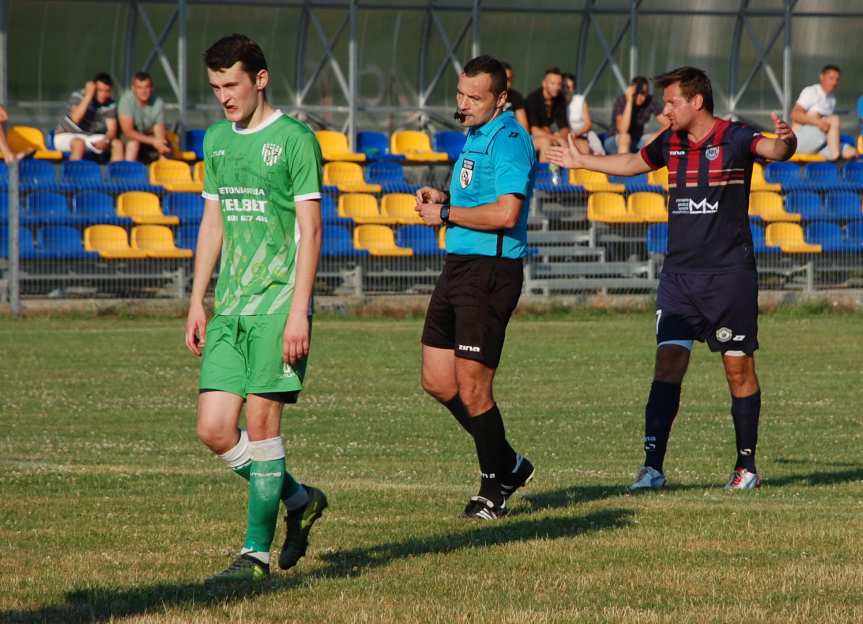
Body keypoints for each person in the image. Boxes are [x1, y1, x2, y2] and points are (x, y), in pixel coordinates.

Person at [547, 66, 797, 491]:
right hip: (679, 277)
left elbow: (773, 150)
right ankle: (652, 467)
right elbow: (633, 162)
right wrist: (581, 160)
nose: (665, 109)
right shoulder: (672, 142)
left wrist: (787, 141)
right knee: (667, 366)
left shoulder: (734, 137)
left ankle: (746, 467)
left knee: (738, 370)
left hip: (728, 277)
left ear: (696, 101)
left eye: (672, 101)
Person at [184, 33, 326, 583]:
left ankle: (254, 556)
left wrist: (299, 311)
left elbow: (311, 231)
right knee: (215, 429)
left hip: (278, 306)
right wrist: (197, 300)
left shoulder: (294, 140)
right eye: (216, 86)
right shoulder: (217, 140)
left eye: (232, 84)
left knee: (263, 427)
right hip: (230, 308)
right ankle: (299, 498)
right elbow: (213, 221)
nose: (224, 96)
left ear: (260, 79)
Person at [415, 55, 536, 520]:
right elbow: (477, 197)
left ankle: (493, 489)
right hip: (460, 264)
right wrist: (443, 198)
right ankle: (508, 461)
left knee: (473, 385)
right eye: (460, 94)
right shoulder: (476, 133)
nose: (462, 105)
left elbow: (506, 214)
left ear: (500, 99)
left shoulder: (508, 139)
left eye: (474, 97)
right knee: (436, 379)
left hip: (490, 271)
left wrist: (445, 216)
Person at [791, 64, 856, 161]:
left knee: (851, 152)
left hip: (819, 141)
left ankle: (834, 157)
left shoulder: (832, 99)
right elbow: (795, 114)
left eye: (837, 79)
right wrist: (818, 122)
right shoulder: (812, 91)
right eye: (831, 78)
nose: (834, 82)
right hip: (799, 141)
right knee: (834, 120)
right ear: (822, 77)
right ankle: (835, 161)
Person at [54, 73, 123, 161]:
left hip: (88, 137)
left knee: (117, 144)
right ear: (93, 88)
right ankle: (73, 174)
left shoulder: (110, 103)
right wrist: (89, 95)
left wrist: (105, 141)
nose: (103, 94)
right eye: (100, 90)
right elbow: (75, 120)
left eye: (107, 91)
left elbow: (112, 130)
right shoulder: (79, 95)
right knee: (79, 144)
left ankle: (117, 174)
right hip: (65, 134)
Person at [604, 76, 667, 155]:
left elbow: (668, 124)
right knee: (625, 137)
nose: (640, 96)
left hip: (637, 141)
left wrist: (655, 135)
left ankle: (644, 165)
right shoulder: (622, 100)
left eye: (643, 93)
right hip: (615, 141)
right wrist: (629, 101)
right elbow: (623, 130)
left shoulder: (650, 101)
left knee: (654, 139)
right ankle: (623, 165)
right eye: (637, 92)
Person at [118, 71, 172, 163]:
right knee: (133, 144)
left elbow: (159, 129)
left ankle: (163, 173)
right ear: (133, 88)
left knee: (165, 145)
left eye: (146, 87)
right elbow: (128, 132)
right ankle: (129, 174)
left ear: (152, 88)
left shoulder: (158, 102)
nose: (143, 91)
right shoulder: (126, 100)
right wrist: (153, 141)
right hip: (126, 137)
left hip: (147, 135)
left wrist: (160, 143)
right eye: (139, 87)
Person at [524, 67, 569, 160]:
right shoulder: (533, 99)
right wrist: (556, 138)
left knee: (581, 144)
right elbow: (534, 130)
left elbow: (564, 127)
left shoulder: (560, 99)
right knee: (546, 142)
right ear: (544, 83)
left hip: (550, 135)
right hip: (528, 138)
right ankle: (545, 173)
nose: (556, 87)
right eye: (552, 83)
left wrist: (561, 138)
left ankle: (568, 173)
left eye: (559, 84)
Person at [562, 72, 604, 155]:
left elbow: (588, 124)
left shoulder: (580, 100)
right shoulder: (557, 103)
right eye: (564, 87)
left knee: (598, 153)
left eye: (569, 87)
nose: (566, 90)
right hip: (566, 136)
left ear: (574, 88)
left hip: (584, 134)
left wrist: (576, 133)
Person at [501, 61, 529, 130]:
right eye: (505, 78)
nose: (508, 82)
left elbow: (524, 127)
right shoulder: (489, 95)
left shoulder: (516, 97)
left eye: (510, 78)